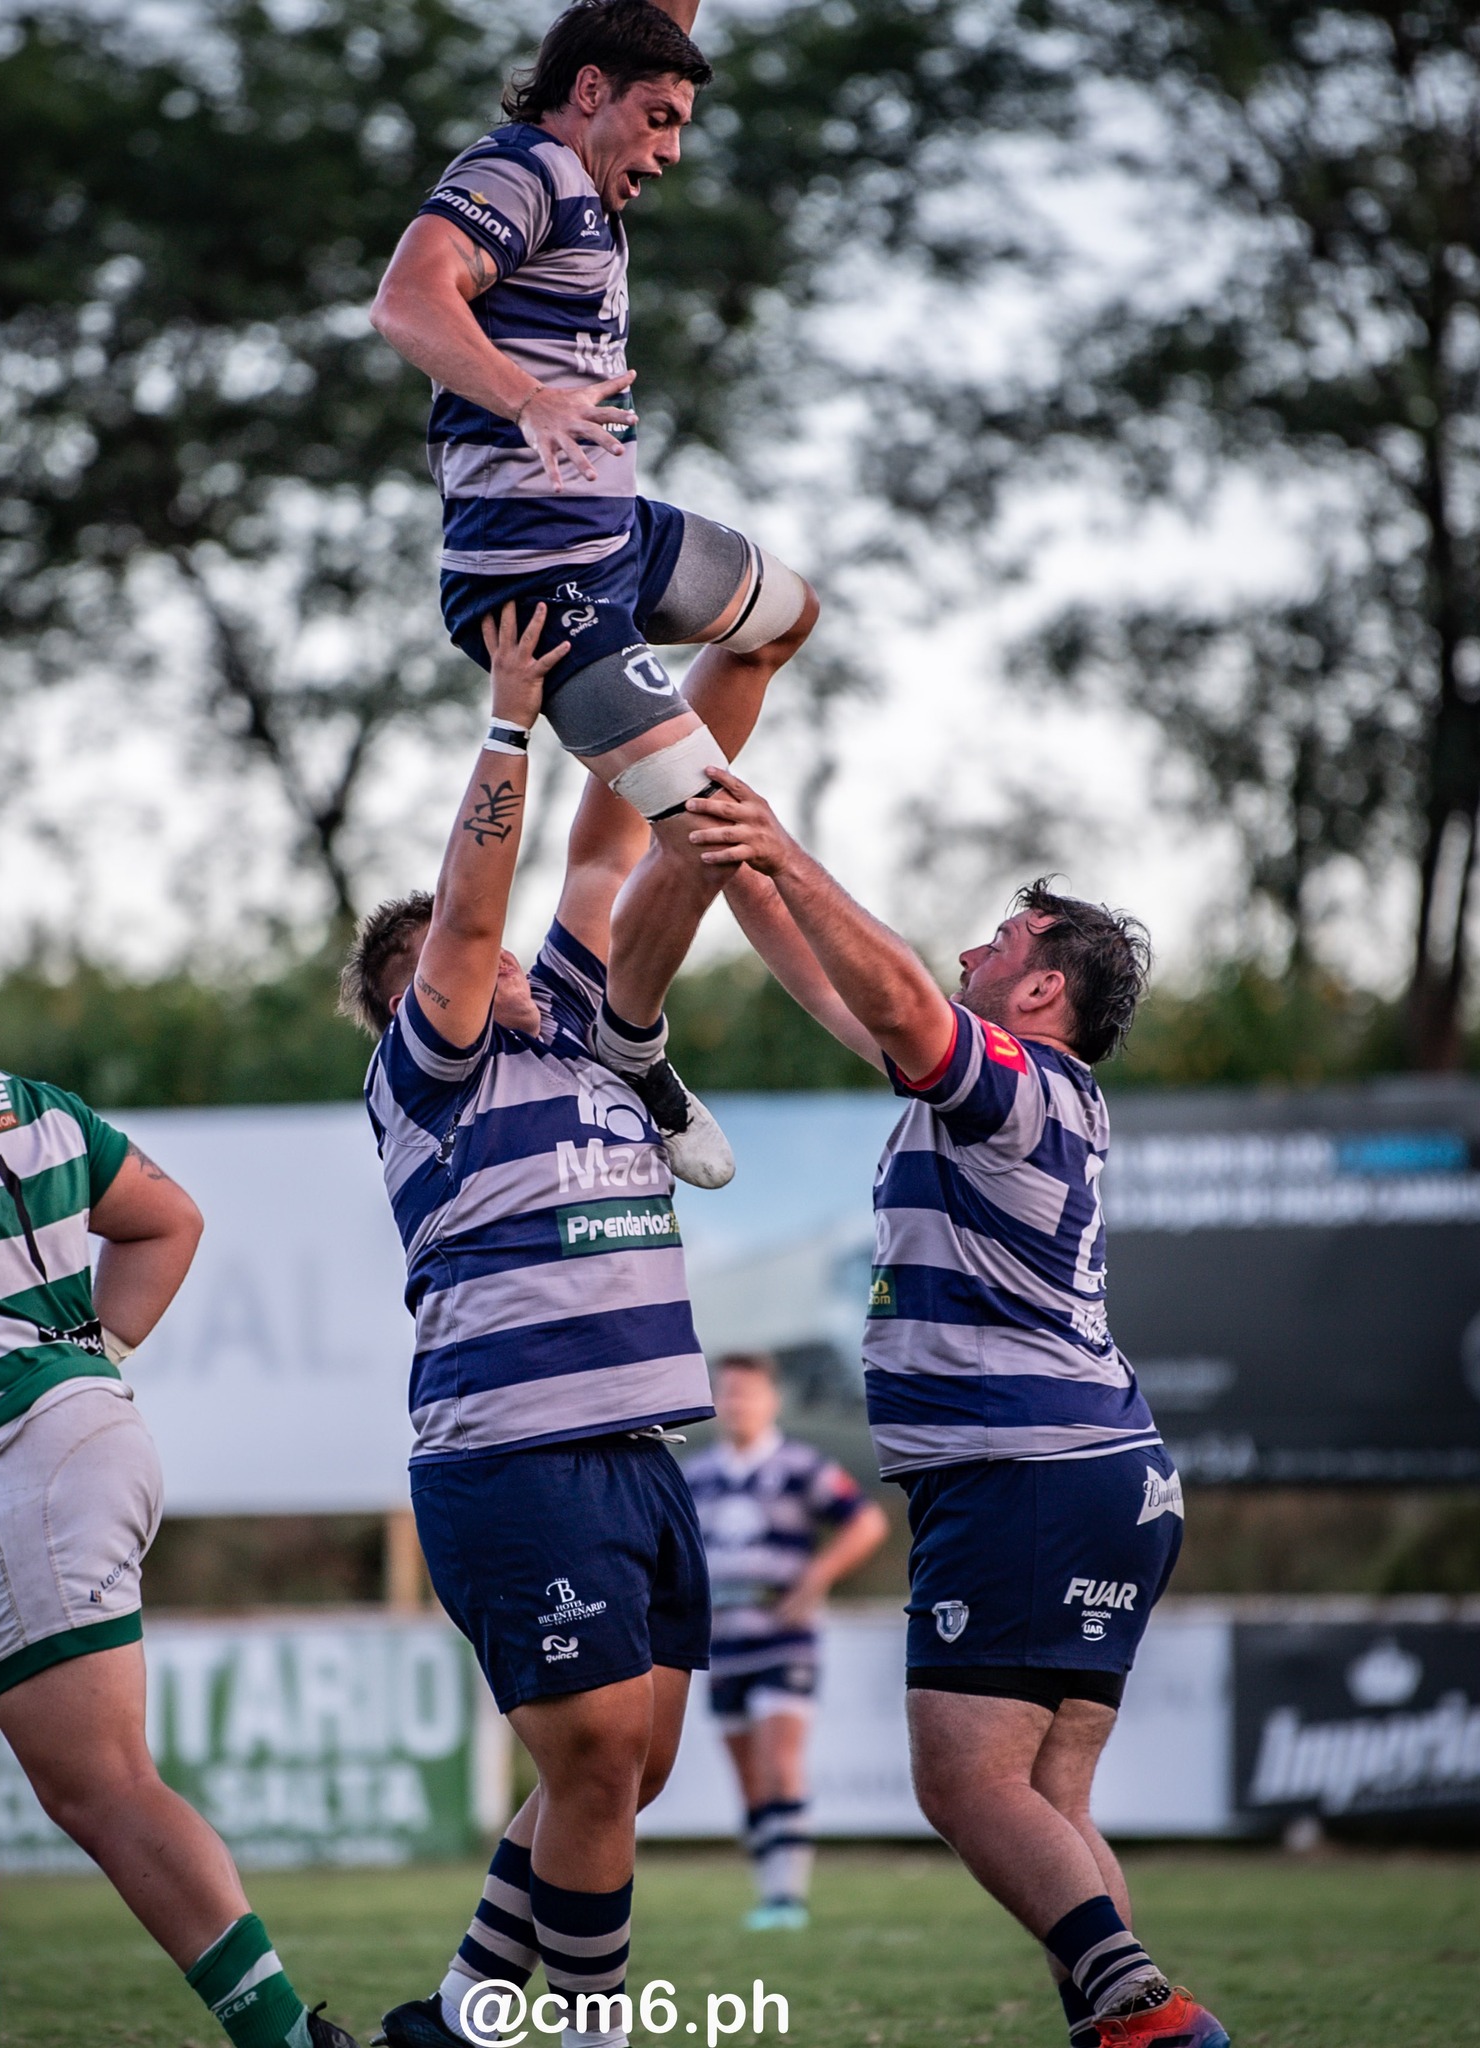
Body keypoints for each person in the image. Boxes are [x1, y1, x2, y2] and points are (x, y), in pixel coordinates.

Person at [683, 769, 1230, 2048]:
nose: (977, 946)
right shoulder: (1000, 1092)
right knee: (1049, 1795)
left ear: (1042, 991)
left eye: (1004, 937)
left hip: (1026, 1471)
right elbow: (834, 985)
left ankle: (1149, 2017)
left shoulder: (1013, 1084)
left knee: (964, 1780)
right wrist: (715, 851)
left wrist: (785, 845)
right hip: (1100, 1472)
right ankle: (1119, 2023)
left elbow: (888, 991)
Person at [0, 912, 355, 2048]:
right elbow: (168, 1221)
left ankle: (291, 2040)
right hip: (54, 1445)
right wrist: (95, 1359)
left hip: (8, 1465)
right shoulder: (40, 1106)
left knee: (100, 1784)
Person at [343, 597, 770, 2048]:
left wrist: (642, 673)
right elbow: (470, 916)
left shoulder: (585, 1031)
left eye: (513, 963)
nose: (506, 968)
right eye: (465, 974)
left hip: (635, 1451)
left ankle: (461, 2017)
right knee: (592, 1759)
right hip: (512, 1456)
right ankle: (584, 2031)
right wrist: (512, 711)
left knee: (626, 1770)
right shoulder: (430, 1077)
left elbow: (608, 848)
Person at [369, 0, 821, 1184]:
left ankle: (654, 764)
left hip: (613, 534)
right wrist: (526, 398)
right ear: (585, 93)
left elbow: (648, 17)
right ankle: (639, 1037)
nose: (670, 150)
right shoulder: (518, 170)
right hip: (533, 584)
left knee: (784, 618)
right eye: (657, 119)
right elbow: (407, 300)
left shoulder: (590, 147)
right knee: (720, 834)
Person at [682, 1351, 888, 1930]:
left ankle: (786, 1898)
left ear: (771, 1399)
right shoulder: (697, 1475)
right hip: (722, 1642)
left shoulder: (800, 1465)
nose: (737, 1403)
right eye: (728, 1393)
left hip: (784, 1639)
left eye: (748, 1392)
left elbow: (866, 1521)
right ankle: (767, 1892)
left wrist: (816, 1577)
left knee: (780, 1760)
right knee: (747, 1773)